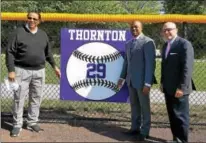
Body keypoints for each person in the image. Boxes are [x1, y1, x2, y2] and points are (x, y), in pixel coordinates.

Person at [5, 11, 61, 137]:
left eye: (34, 19)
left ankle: (32, 122)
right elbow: (10, 52)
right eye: (29, 18)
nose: (31, 20)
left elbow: (48, 54)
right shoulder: (18, 33)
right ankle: (17, 125)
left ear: (39, 21)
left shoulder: (43, 35)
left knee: (36, 98)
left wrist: (55, 67)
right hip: (21, 70)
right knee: (19, 99)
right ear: (27, 19)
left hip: (39, 71)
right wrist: (11, 70)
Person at [118, 20, 157, 141]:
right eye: (132, 27)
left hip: (142, 82)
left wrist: (147, 83)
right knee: (134, 105)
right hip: (130, 81)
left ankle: (144, 131)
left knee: (144, 107)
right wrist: (122, 77)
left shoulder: (148, 42)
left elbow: (150, 64)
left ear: (141, 28)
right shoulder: (129, 43)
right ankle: (135, 128)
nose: (133, 29)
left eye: (136, 27)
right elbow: (126, 63)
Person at [160, 22, 195, 143]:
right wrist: (162, 82)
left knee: (181, 117)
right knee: (172, 115)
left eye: (169, 29)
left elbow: (187, 68)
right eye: (164, 30)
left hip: (179, 88)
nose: (166, 32)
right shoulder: (165, 45)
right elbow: (164, 66)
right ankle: (176, 138)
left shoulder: (184, 44)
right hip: (168, 87)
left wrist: (182, 87)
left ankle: (182, 140)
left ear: (176, 30)